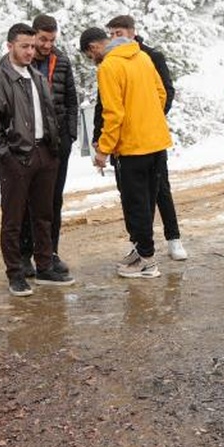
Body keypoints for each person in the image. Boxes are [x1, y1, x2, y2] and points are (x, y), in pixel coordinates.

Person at [0, 24, 74, 296]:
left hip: (45, 154)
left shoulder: (37, 76)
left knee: (44, 215)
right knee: (13, 219)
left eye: (33, 46)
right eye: (25, 46)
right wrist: (7, 158)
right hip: (16, 157)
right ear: (10, 46)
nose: (31, 51)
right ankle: (15, 273)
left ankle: (44, 266)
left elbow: (52, 113)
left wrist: (55, 148)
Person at [81, 26, 172, 279]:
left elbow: (113, 113)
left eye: (90, 56)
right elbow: (161, 93)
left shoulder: (109, 67)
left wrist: (104, 150)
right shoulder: (142, 56)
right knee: (148, 200)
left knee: (136, 204)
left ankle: (147, 259)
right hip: (156, 142)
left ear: (94, 48)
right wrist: (149, 118)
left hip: (132, 148)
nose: (93, 60)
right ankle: (141, 250)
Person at [104, 15, 188, 261]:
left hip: (148, 137)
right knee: (139, 197)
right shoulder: (116, 61)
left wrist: (146, 117)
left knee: (160, 191)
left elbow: (164, 92)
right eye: (111, 33)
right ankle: (142, 247)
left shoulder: (150, 56)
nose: (114, 37)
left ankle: (172, 239)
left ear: (132, 31)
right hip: (137, 138)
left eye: (118, 32)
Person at [19, 14, 79, 276]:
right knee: (25, 203)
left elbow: (72, 101)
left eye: (51, 40)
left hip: (57, 143)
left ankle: (50, 252)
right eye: (42, 39)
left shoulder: (62, 60)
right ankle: (23, 255)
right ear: (33, 36)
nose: (46, 45)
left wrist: (70, 136)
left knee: (53, 201)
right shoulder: (22, 60)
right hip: (28, 143)